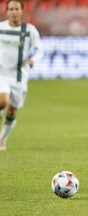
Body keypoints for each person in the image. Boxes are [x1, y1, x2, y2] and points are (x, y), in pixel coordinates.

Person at [0, 0, 43, 150]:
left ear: (22, 11)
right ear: (6, 11)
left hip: (19, 75)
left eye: (16, 9)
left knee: (12, 110)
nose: (13, 12)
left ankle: (2, 140)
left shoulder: (29, 30)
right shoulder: (1, 28)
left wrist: (34, 59)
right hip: (1, 73)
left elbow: (39, 50)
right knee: (2, 101)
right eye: (11, 9)